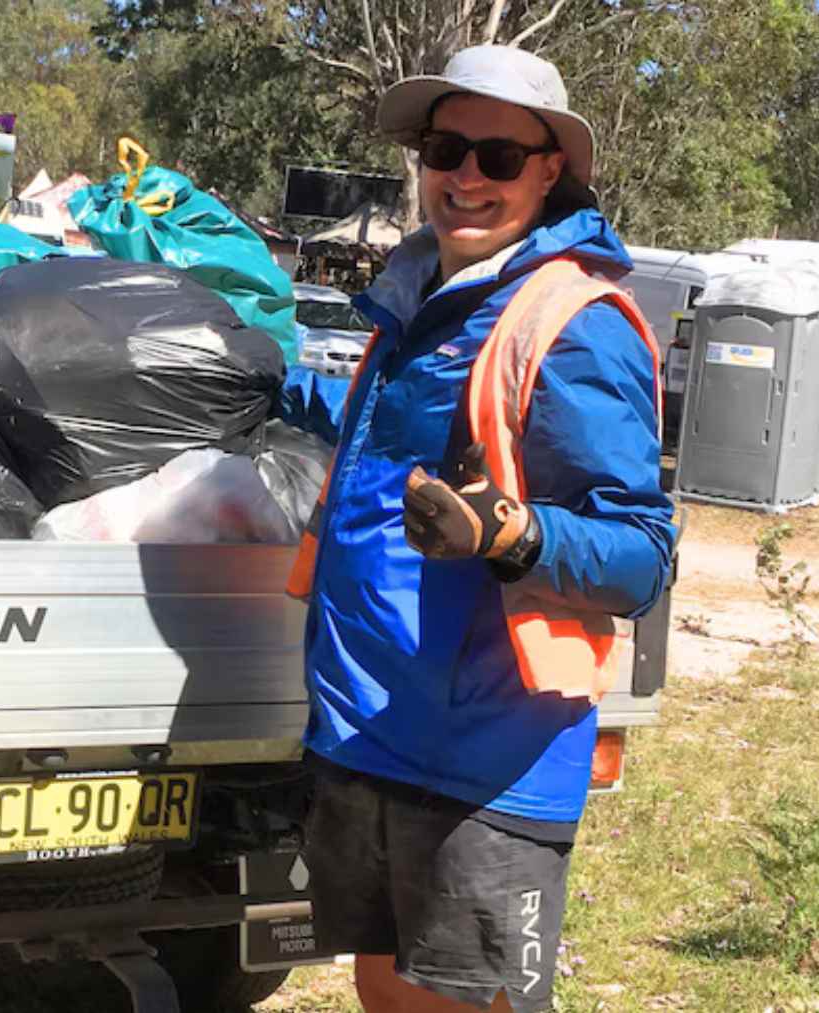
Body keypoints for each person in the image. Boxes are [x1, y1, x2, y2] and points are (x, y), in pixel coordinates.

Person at [283, 45, 677, 1012]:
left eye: (499, 158)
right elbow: (372, 449)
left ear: (551, 172)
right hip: (363, 731)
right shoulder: (412, 301)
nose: (465, 176)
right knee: (386, 996)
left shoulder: (571, 322)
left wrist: (517, 538)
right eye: (445, 147)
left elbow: (642, 553)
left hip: (483, 765)